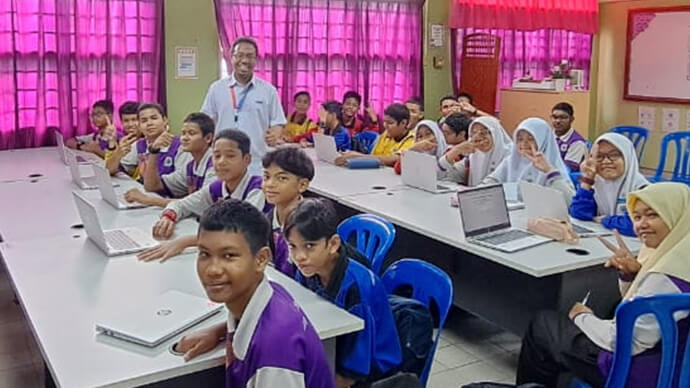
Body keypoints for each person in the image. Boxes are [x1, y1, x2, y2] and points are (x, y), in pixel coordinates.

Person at [516, 182, 690, 388]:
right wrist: (631, 276)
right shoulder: (680, 256)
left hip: (643, 371)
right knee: (605, 310)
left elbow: (628, 340)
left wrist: (582, 316)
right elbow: (644, 308)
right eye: (637, 217)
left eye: (653, 215)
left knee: (543, 324)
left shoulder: (667, 275)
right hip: (675, 364)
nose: (642, 224)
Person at [174, 200, 335, 388]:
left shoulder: (274, 356)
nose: (213, 270)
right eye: (204, 254)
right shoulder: (270, 291)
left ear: (261, 259)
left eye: (229, 256)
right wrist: (219, 331)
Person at [285, 198, 403, 387]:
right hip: (334, 350)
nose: (299, 256)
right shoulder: (309, 269)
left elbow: (351, 373)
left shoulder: (355, 288)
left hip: (371, 372)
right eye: (292, 246)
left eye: (309, 246)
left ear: (333, 244)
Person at [138, 130, 267, 263]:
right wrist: (168, 216)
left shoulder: (258, 188)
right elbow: (181, 204)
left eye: (230, 156)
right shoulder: (217, 187)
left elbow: (236, 232)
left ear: (247, 160)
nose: (221, 162)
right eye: (216, 156)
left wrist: (185, 242)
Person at [201, 37, 287, 175]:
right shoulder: (217, 89)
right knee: (222, 196)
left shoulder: (268, 90)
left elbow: (278, 122)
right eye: (240, 55)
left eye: (249, 56)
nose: (245, 61)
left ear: (256, 59)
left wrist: (275, 133)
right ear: (231, 57)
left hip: (256, 164)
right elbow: (206, 121)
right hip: (223, 163)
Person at [124, 111, 214, 205]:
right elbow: (152, 186)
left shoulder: (215, 164)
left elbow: (199, 203)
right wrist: (154, 151)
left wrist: (148, 200)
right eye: (183, 133)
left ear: (208, 138)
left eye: (191, 133)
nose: (184, 138)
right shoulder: (191, 166)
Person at [570, 133, 649, 236]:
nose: (606, 161)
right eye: (599, 156)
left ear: (627, 157)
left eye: (614, 155)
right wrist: (587, 180)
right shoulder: (598, 183)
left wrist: (605, 220)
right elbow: (579, 213)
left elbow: (634, 225)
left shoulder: (642, 188)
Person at [482, 117, 575, 204]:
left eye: (531, 139)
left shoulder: (552, 164)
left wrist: (549, 171)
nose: (524, 143)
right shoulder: (511, 161)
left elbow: (570, 201)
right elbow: (492, 181)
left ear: (542, 140)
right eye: (520, 139)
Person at [262, 147, 315, 278]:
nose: (269, 184)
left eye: (281, 178)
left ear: (302, 185)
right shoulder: (266, 221)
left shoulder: (312, 225)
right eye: (266, 177)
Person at [439, 116, 512, 186]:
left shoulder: (509, 156)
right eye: (473, 133)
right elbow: (443, 176)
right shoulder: (474, 156)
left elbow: (492, 184)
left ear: (495, 134)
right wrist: (455, 151)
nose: (477, 137)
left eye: (484, 133)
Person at [336, 104, 414, 167]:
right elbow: (373, 156)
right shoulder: (386, 134)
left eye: (390, 123)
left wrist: (358, 156)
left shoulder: (411, 139)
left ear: (403, 123)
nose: (385, 126)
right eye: (384, 122)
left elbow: (394, 159)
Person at [103, 101, 142, 179]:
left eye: (134, 120)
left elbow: (110, 170)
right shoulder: (124, 140)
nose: (130, 124)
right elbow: (108, 169)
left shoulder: (143, 142)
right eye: (126, 121)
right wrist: (112, 142)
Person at [551, 102, 587, 172]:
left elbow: (567, 169)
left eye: (563, 117)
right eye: (555, 117)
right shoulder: (547, 136)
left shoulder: (577, 142)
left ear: (571, 119)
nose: (558, 121)